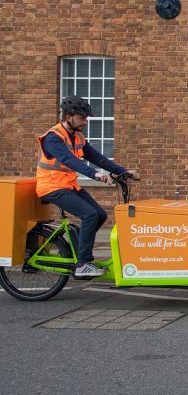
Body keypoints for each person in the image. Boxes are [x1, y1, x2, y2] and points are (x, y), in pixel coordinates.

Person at [36, 95, 139, 277]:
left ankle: (80, 249)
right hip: (51, 187)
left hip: (69, 186)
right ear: (69, 117)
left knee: (100, 215)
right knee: (89, 214)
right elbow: (69, 160)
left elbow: (97, 158)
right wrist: (94, 174)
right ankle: (83, 263)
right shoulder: (53, 138)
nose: (85, 122)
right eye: (82, 118)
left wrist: (124, 172)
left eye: (86, 118)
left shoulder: (78, 137)